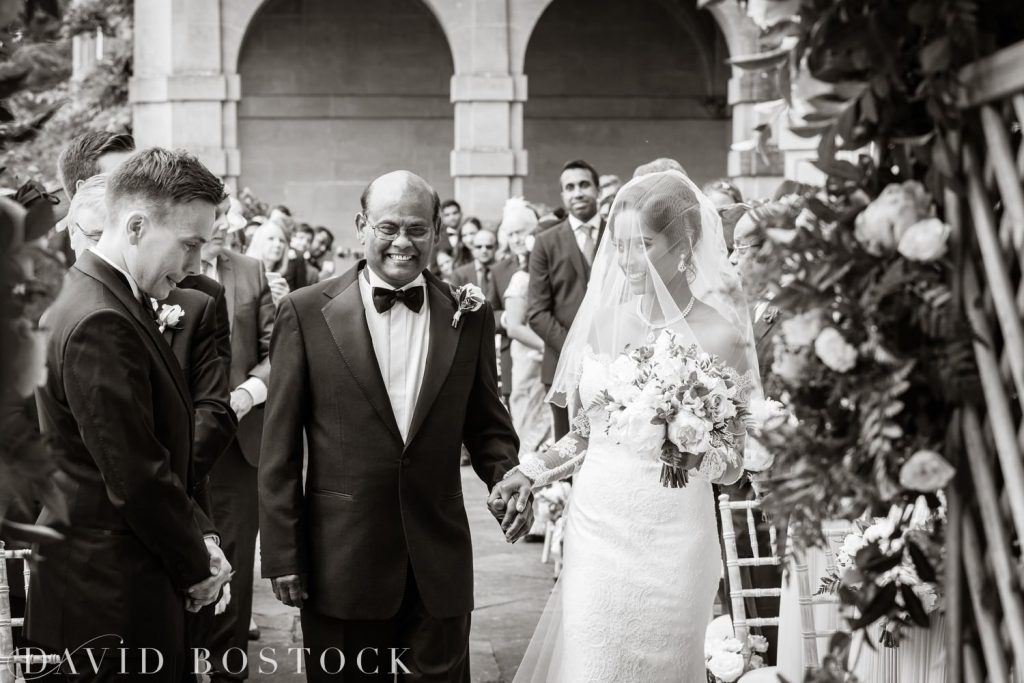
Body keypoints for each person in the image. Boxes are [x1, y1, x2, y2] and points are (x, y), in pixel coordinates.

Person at [258, 170, 533, 683]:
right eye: (388, 228)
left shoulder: (469, 315)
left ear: (435, 232)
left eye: (417, 229)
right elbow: (279, 448)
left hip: (439, 562)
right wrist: (281, 554)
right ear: (362, 227)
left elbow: (487, 424)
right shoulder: (304, 312)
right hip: (340, 561)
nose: (403, 242)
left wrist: (506, 475)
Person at [509, 170, 761, 682]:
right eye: (618, 246)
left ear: (684, 244)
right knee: (594, 663)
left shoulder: (724, 335)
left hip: (675, 535)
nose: (626, 260)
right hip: (599, 527)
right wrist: (529, 472)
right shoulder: (602, 323)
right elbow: (584, 434)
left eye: (642, 245)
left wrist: (691, 450)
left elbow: (734, 466)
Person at [28, 148, 233, 679]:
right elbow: (136, 473)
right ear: (137, 226)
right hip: (107, 595)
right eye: (189, 245)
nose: (194, 265)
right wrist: (198, 566)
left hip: (110, 577)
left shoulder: (101, 296)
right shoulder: (101, 319)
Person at [197, 210, 276, 683]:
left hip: (238, 439)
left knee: (237, 556)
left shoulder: (249, 270)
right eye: (216, 215)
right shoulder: (160, 264)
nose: (225, 223)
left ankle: (229, 668)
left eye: (228, 215)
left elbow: (277, 348)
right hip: (178, 440)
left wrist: (248, 393)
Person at [527, 159, 603, 440]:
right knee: (567, 453)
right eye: (569, 187)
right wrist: (575, 349)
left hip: (615, 361)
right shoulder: (545, 242)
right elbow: (536, 312)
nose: (577, 192)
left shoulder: (617, 234)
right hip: (562, 366)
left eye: (584, 185)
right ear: (562, 196)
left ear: (597, 190)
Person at [498, 197, 550, 455]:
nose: (517, 239)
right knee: (529, 419)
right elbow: (514, 326)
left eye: (522, 233)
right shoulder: (518, 277)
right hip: (528, 356)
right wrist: (553, 347)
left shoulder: (540, 270)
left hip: (545, 356)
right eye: (512, 234)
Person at [449, 229, 518, 401]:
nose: (484, 250)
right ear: (472, 249)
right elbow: (454, 309)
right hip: (472, 338)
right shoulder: (460, 273)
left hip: (504, 341)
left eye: (489, 246)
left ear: (496, 248)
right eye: (479, 246)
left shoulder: (505, 271)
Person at [245, 219, 295, 304]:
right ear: (258, 241)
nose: (277, 244)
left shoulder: (282, 281)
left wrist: (283, 303)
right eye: (271, 238)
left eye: (282, 241)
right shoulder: (244, 272)